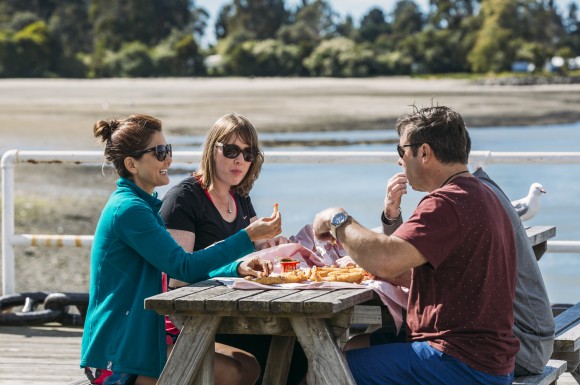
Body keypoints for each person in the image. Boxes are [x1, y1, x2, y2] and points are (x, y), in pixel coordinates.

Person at [313, 105, 519, 384]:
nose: (400, 161)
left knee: (322, 368)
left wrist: (336, 218)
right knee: (356, 344)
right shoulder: (484, 195)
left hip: (460, 363)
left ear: (423, 152)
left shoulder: (446, 203)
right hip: (491, 361)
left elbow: (387, 258)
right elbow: (433, 271)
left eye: (402, 151)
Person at [81, 114, 281, 385]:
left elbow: (180, 263)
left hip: (145, 333)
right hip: (118, 352)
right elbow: (182, 268)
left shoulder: (144, 205)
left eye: (168, 150)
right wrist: (247, 237)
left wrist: (236, 267)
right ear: (132, 164)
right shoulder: (128, 210)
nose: (168, 159)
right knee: (232, 373)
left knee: (248, 365)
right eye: (160, 152)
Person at [159, 112, 307, 385]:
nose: (240, 160)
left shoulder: (239, 196)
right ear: (211, 149)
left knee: (298, 352)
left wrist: (275, 244)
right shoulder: (182, 199)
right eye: (230, 150)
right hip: (196, 320)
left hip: (233, 312)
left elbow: (257, 247)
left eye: (248, 153)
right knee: (291, 355)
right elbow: (177, 277)